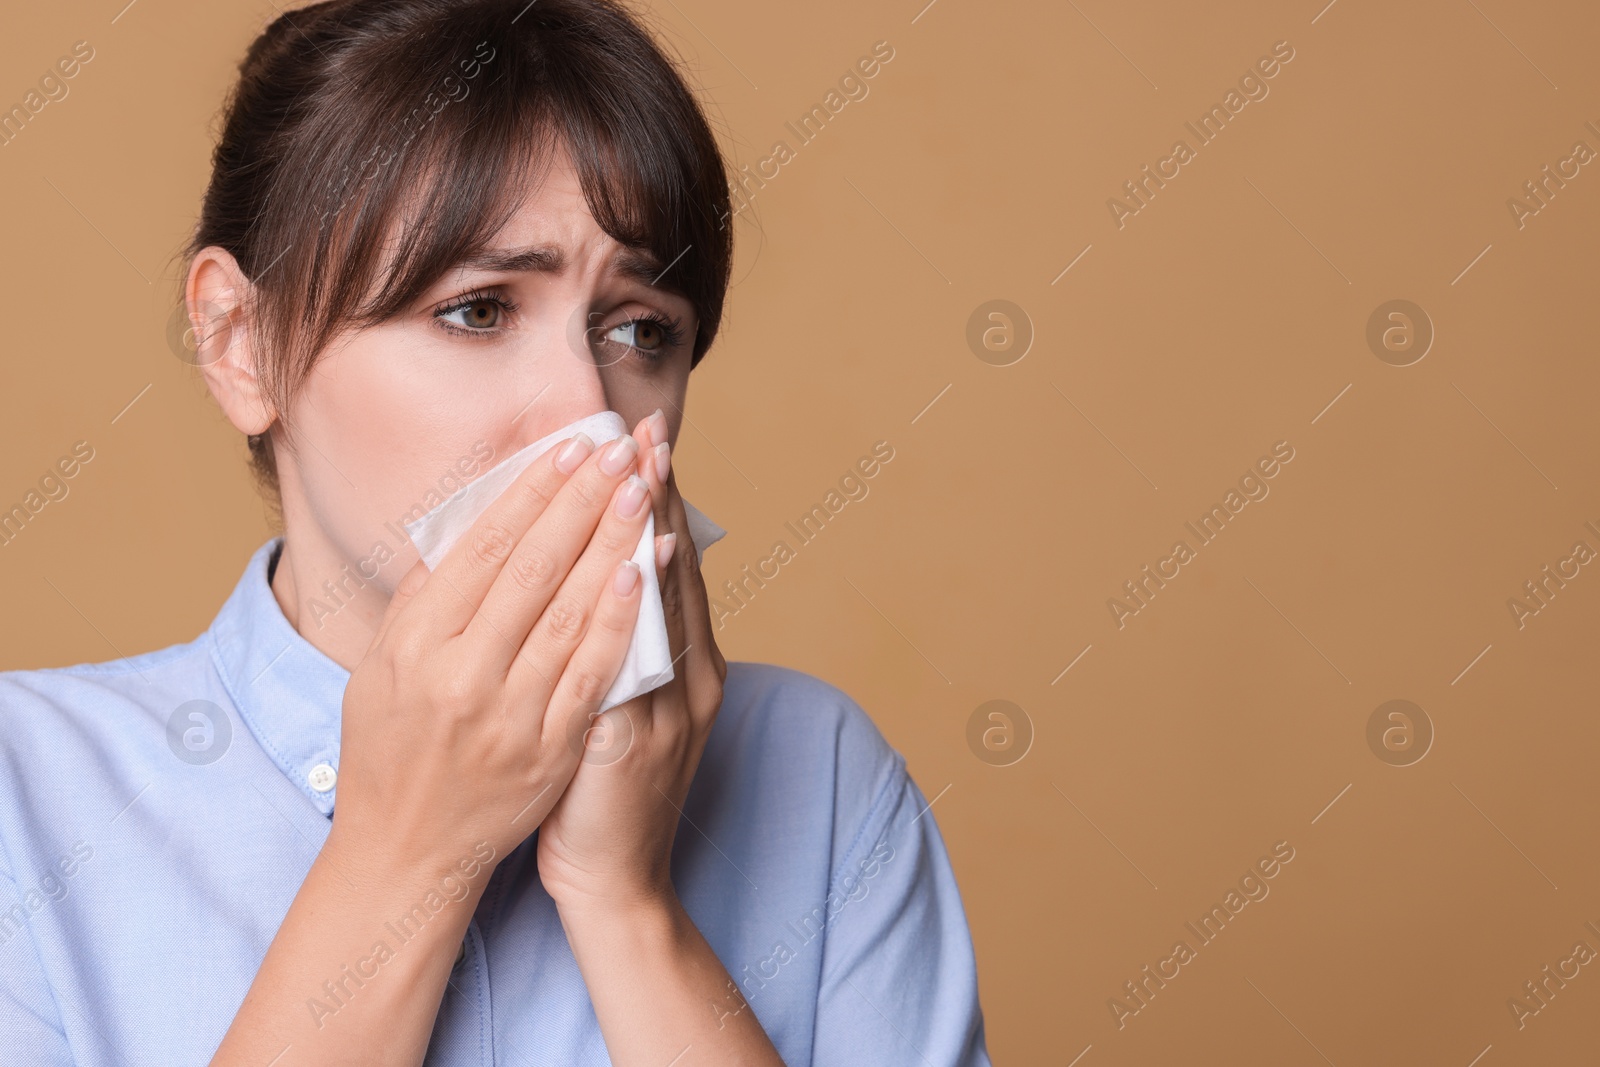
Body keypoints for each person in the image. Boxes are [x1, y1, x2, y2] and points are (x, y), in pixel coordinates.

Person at [0, 1, 991, 1063]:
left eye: (636, 328)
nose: (588, 411)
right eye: (478, 309)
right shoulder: (28, 798)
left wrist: (626, 904)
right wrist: (405, 853)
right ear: (241, 343)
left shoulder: (820, 774)